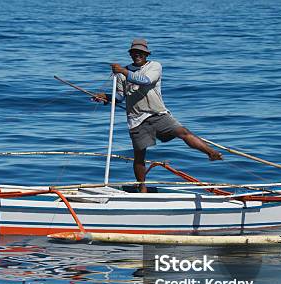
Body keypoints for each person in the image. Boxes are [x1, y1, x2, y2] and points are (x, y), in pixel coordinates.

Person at [94, 38, 222, 193]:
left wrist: (123, 71)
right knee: (139, 156)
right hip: (136, 119)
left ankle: (211, 153)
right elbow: (120, 97)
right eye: (134, 52)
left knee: (183, 132)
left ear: (146, 54)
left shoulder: (154, 66)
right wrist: (106, 97)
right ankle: (142, 188)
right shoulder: (122, 74)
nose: (137, 55)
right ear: (130, 54)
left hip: (157, 114)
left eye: (140, 53)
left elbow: (145, 80)